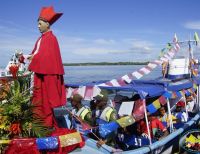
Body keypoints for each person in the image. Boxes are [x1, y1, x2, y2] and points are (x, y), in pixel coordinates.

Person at [28, 6, 66, 129]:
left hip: (46, 77)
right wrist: (24, 57)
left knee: (44, 104)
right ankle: (41, 126)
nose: (38, 26)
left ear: (47, 24)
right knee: (39, 103)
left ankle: (45, 127)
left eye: (40, 24)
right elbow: (36, 55)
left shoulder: (51, 39)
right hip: (40, 75)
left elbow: (46, 60)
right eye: (38, 24)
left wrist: (29, 59)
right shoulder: (42, 39)